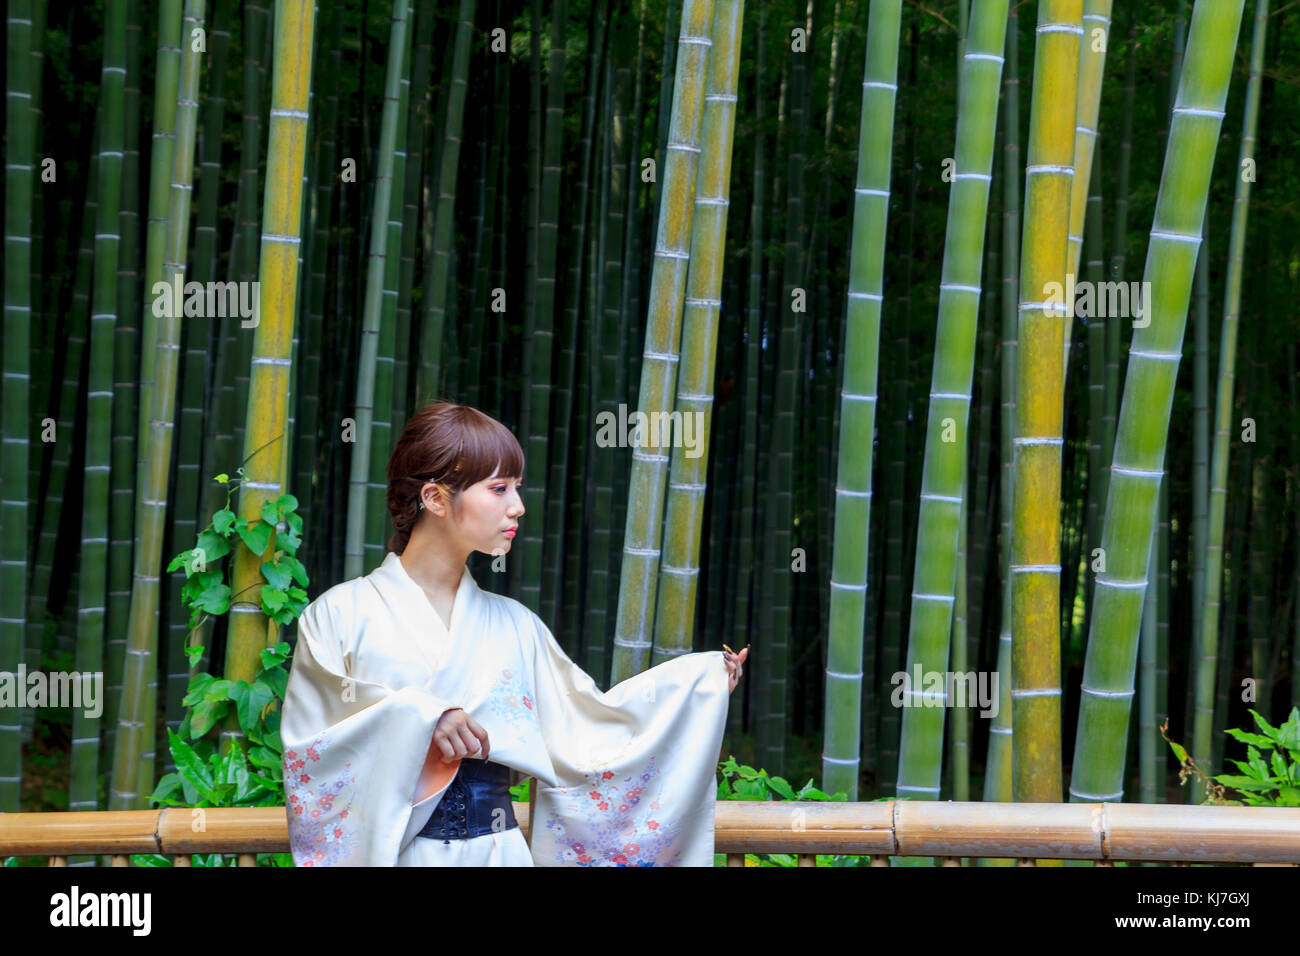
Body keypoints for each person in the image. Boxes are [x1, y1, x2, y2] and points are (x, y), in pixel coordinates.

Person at [281, 401, 749, 866]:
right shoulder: (338, 616)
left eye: (517, 489)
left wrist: (696, 687)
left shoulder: (516, 625)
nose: (518, 507)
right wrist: (423, 717)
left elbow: (590, 729)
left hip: (497, 853)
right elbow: (311, 752)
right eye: (499, 488)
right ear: (435, 498)